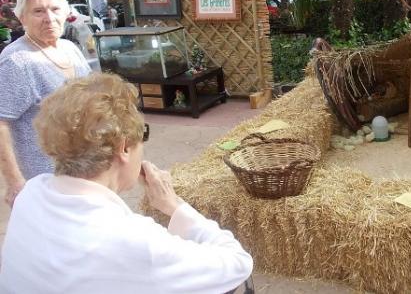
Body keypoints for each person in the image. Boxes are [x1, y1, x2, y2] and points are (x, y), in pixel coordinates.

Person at [0, 73, 254, 294]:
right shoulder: (137, 242)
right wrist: (174, 205)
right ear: (123, 147)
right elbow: (237, 263)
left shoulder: (30, 194)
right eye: (144, 134)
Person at [0, 0, 91, 207]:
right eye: (38, 11)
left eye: (55, 9)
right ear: (22, 17)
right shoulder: (17, 61)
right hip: (46, 179)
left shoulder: (70, 49)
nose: (49, 18)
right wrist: (14, 181)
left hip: (84, 169)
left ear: (66, 12)